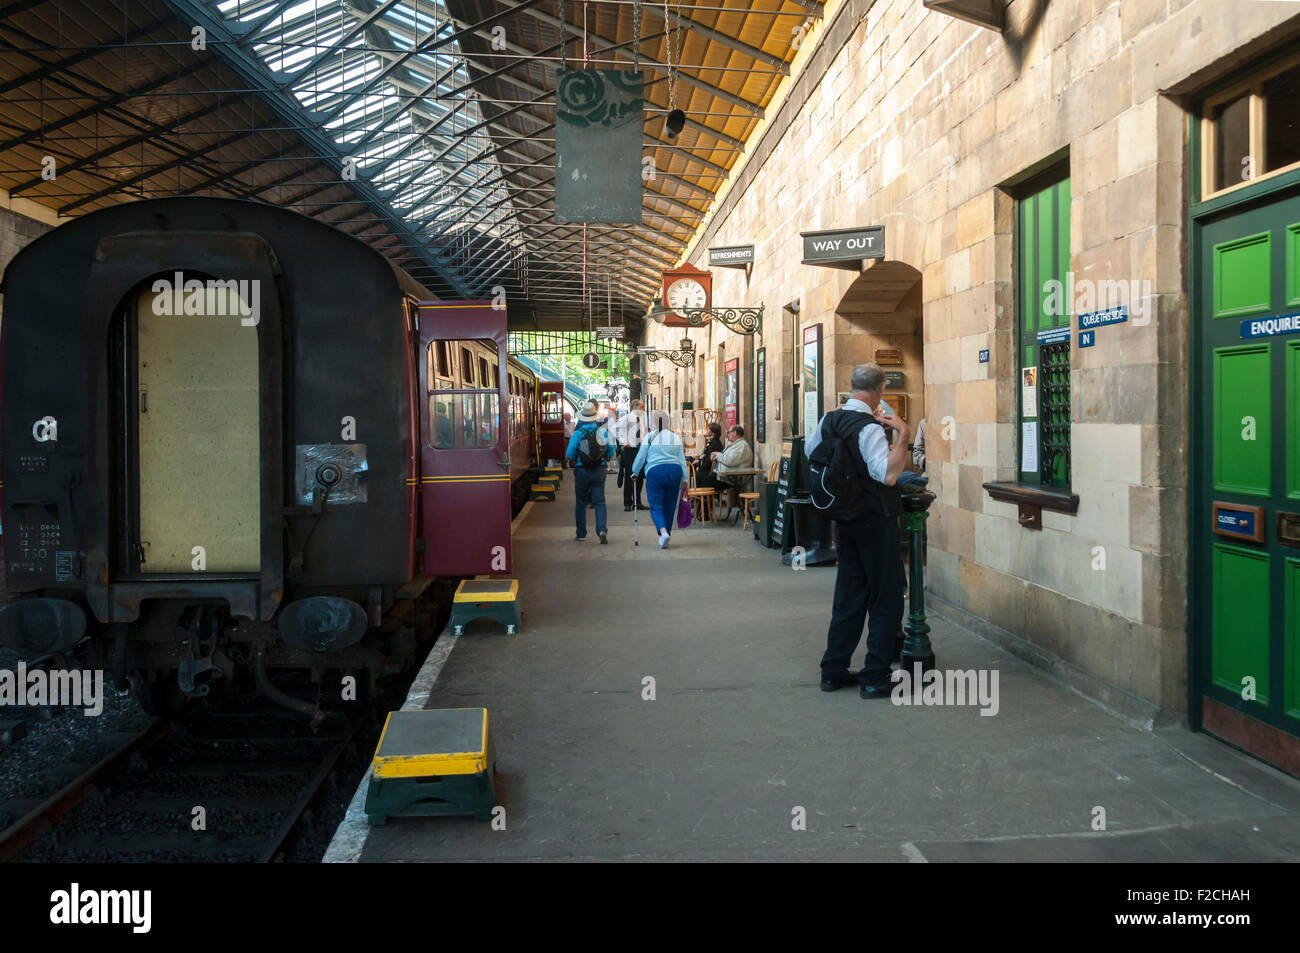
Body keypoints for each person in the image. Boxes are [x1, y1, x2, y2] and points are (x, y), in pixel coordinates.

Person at [805, 363, 911, 698]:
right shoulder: (868, 428)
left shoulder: (829, 420)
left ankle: (833, 670)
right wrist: (904, 436)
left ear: (852, 387)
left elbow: (811, 453)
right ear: (880, 390)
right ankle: (875, 676)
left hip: (844, 520)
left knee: (849, 594)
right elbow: (888, 475)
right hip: (875, 520)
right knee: (886, 595)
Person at [631, 411, 690, 550]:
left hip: (655, 472)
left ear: (653, 423)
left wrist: (635, 471)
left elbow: (641, 457)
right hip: (674, 471)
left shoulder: (650, 437)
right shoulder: (675, 437)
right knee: (670, 504)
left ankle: (663, 532)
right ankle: (666, 535)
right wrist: (685, 478)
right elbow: (682, 459)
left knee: (656, 504)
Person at [565, 400, 616, 543]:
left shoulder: (578, 433)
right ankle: (601, 530)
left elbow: (570, 454)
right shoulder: (603, 432)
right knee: (599, 502)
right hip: (599, 470)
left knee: (580, 502)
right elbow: (612, 452)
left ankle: (581, 534)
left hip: (582, 471)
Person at [613, 399, 649, 511]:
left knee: (640, 477)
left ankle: (637, 502)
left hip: (640, 449)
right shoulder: (627, 418)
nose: (643, 409)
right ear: (635, 407)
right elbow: (614, 429)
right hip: (630, 450)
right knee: (630, 476)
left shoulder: (642, 419)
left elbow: (643, 433)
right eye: (641, 407)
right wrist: (624, 441)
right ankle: (627, 503)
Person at [712, 423, 754, 515]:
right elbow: (727, 457)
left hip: (730, 479)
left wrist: (718, 455)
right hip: (725, 476)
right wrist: (717, 455)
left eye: (729, 432)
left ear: (735, 433)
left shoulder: (742, 446)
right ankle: (703, 512)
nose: (727, 434)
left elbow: (730, 460)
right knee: (701, 477)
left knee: (702, 481)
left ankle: (705, 513)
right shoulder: (736, 444)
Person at [687, 421, 724, 489]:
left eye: (708, 429)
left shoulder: (715, 444)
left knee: (692, 474)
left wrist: (700, 467)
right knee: (689, 461)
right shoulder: (711, 442)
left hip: (709, 471)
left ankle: (695, 496)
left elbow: (708, 462)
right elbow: (706, 455)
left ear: (713, 432)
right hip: (705, 468)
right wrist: (699, 461)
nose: (706, 431)